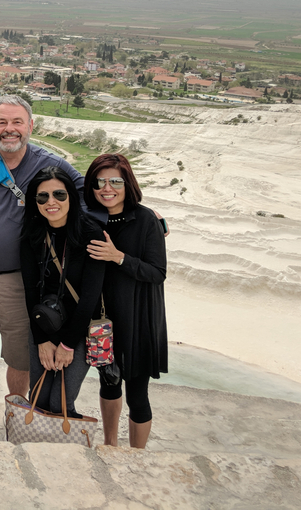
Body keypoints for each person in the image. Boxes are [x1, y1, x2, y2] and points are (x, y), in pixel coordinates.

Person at [0, 95, 92, 440]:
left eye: (17, 122)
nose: (9, 130)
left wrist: (138, 214)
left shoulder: (47, 164)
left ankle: (17, 407)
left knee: (18, 354)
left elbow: (88, 191)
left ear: (30, 126)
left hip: (21, 280)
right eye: (2, 122)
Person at [84, 153, 167, 449]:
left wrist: (118, 257)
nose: (107, 188)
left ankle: (138, 454)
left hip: (138, 318)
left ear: (127, 182)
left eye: (115, 181)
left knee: (137, 393)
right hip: (104, 319)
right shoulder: (90, 218)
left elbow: (157, 272)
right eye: (100, 182)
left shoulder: (145, 219)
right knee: (109, 382)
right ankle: (110, 445)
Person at [20, 166, 105, 416]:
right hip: (43, 324)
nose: (51, 202)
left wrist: (67, 344)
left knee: (60, 403)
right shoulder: (31, 234)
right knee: (39, 399)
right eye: (42, 197)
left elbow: (90, 295)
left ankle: (63, 451)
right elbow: (29, 290)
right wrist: (42, 340)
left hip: (79, 329)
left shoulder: (91, 234)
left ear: (71, 196)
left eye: (59, 194)